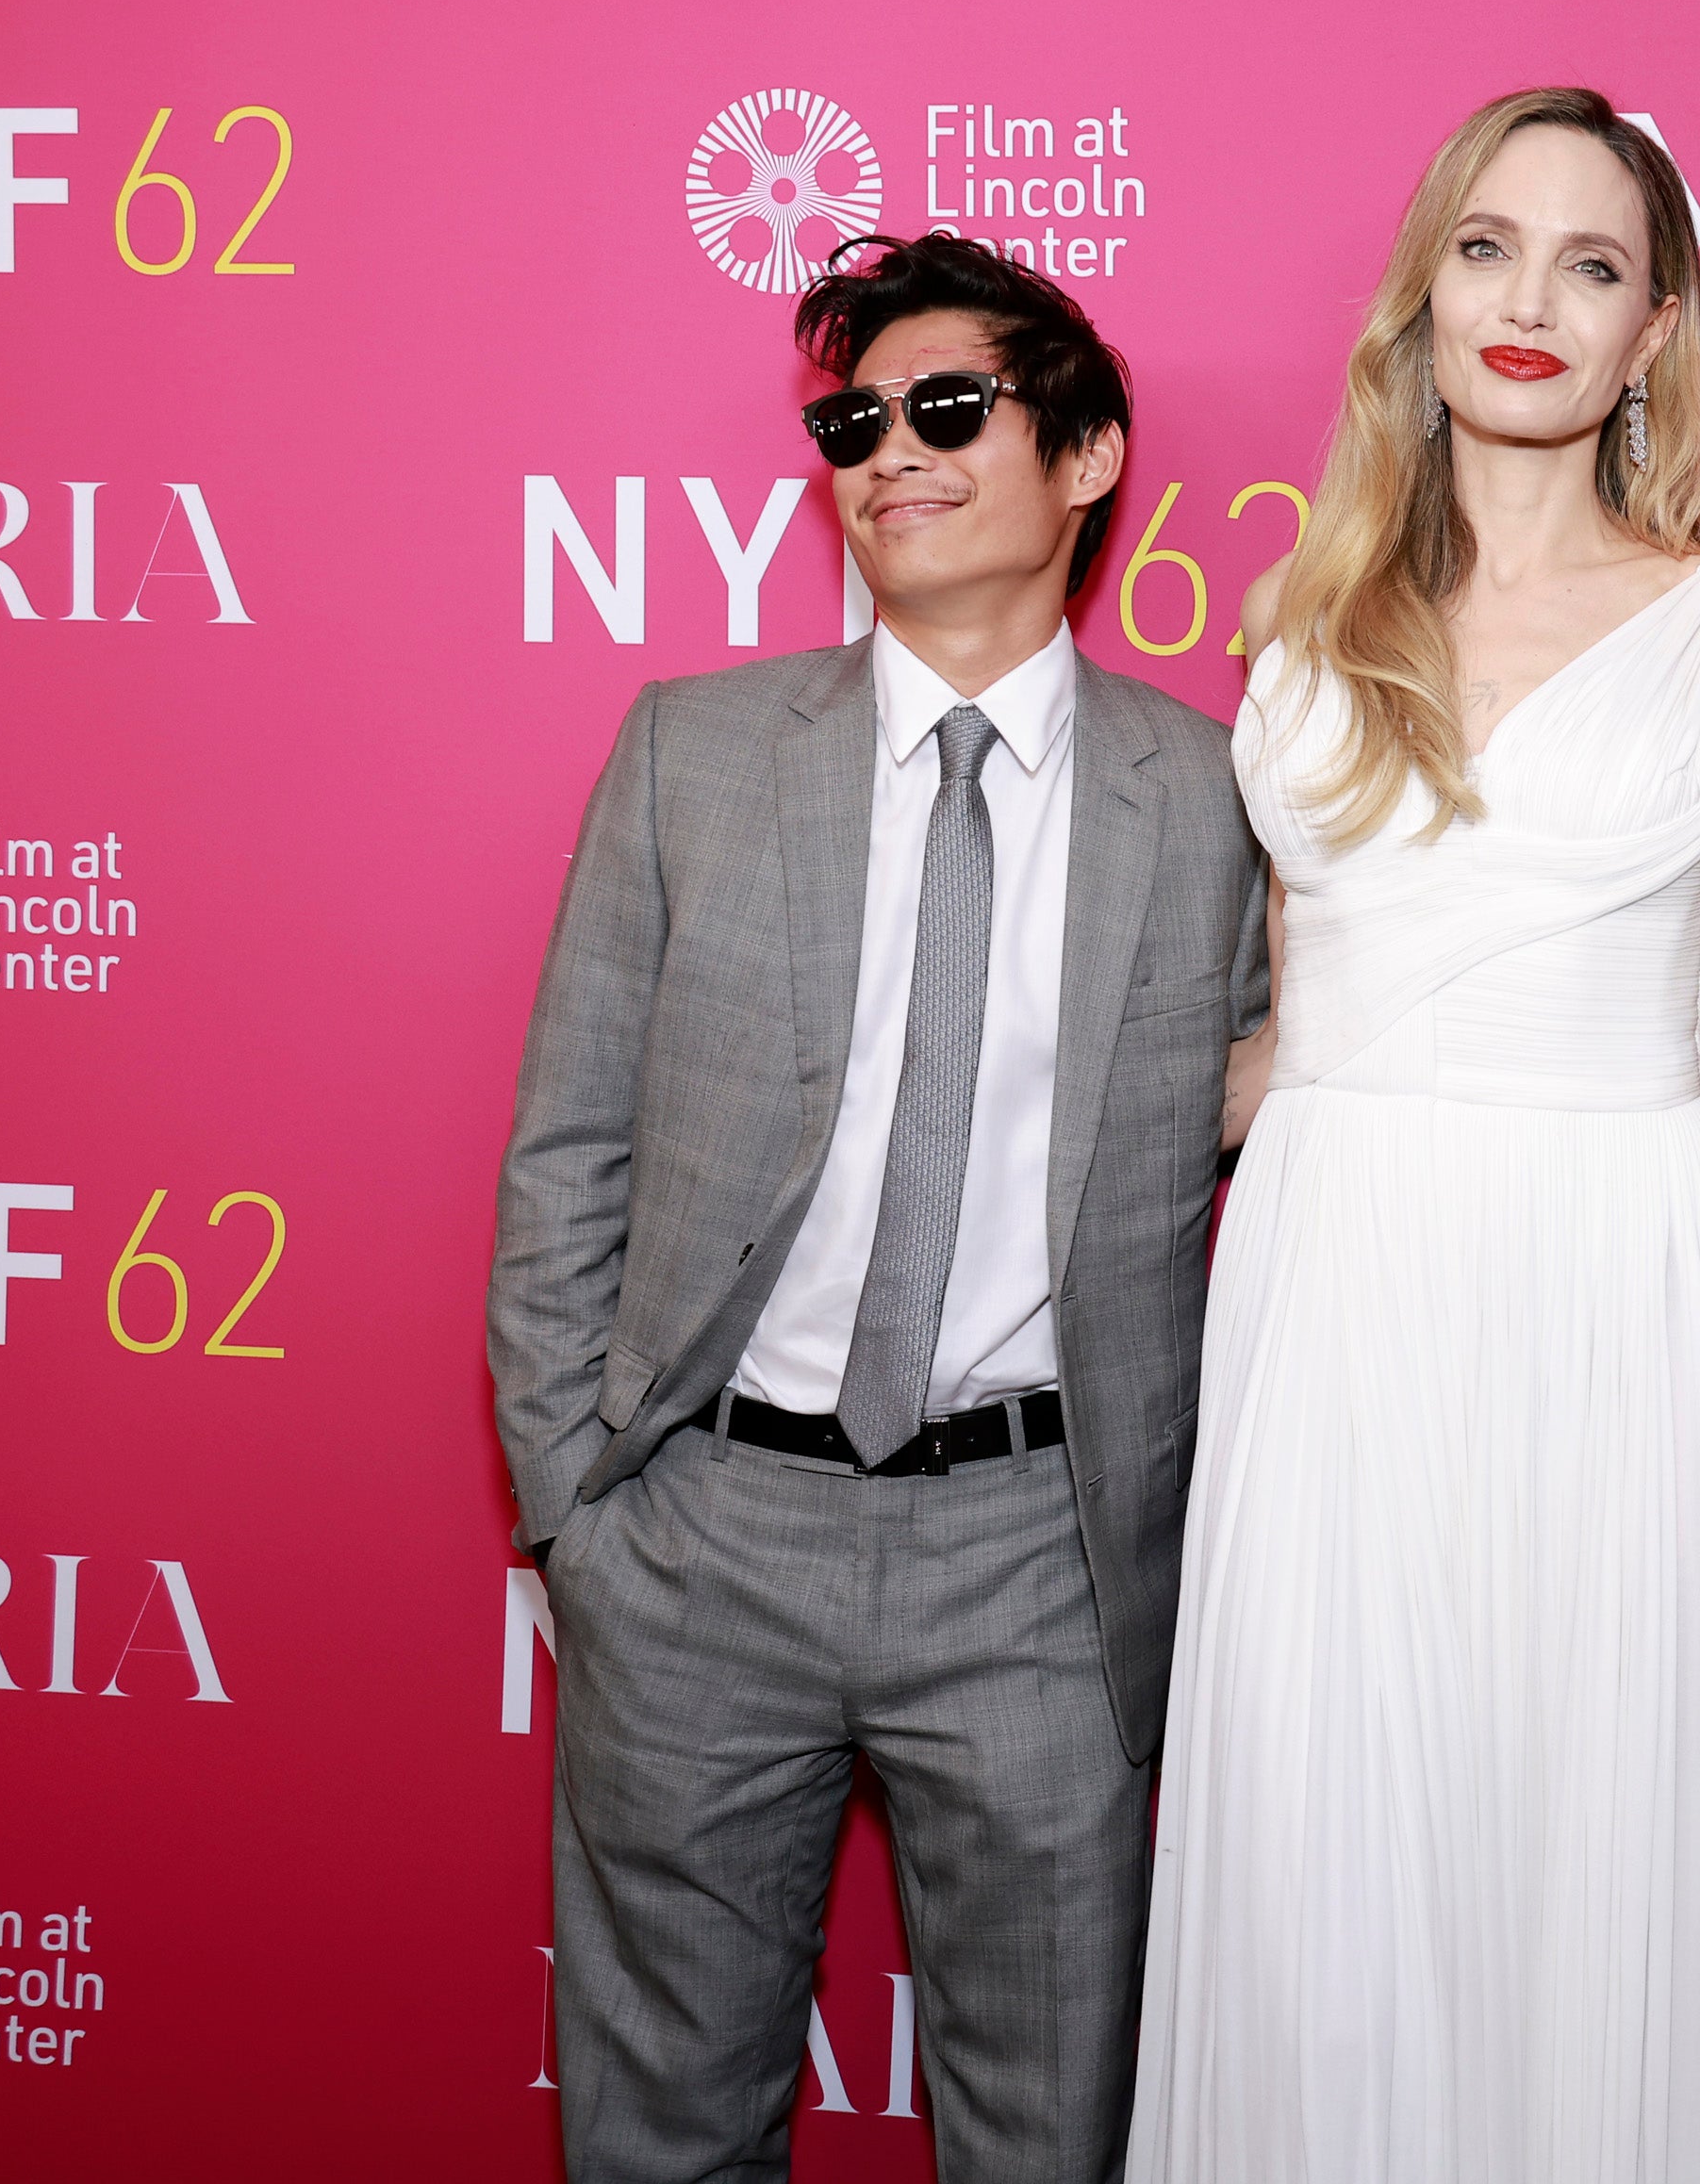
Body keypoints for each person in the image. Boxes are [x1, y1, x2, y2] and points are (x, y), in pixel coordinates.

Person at [487, 233, 1267, 2184]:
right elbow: (568, 1149)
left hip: (1042, 1562)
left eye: (946, 410)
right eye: (851, 421)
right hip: (700, 1542)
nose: (886, 456)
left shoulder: (1219, 800)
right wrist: (580, 1505)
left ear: (1085, 458)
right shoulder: (696, 753)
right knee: (657, 2128)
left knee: (1047, 2135)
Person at [1125, 88, 1700, 2184]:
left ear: (1654, 337)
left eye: (1594, 265)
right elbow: (1279, 1027)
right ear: (1424, 295)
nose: (1534, 302)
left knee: (1585, 1815)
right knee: (1318, 1821)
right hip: (1335, 1262)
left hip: (1611, 1264)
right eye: (1490, 248)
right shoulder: (1297, 625)